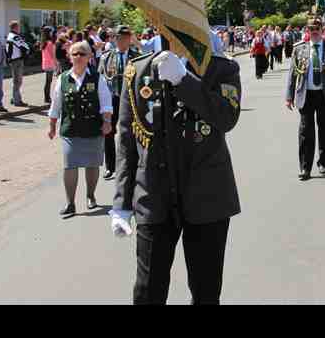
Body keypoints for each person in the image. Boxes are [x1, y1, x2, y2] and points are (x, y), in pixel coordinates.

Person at [110, 30, 242, 305]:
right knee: (147, 292)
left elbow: (226, 117)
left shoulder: (221, 68)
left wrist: (183, 79)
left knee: (205, 293)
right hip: (153, 194)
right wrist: (122, 202)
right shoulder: (137, 70)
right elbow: (127, 140)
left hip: (208, 195)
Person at [47, 40, 113, 218]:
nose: (78, 57)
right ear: (69, 57)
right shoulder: (63, 78)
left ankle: (91, 195)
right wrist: (52, 125)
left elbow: (106, 103)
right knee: (70, 166)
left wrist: (106, 121)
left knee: (92, 164)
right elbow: (56, 104)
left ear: (90, 57)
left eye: (82, 54)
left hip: (93, 129)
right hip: (70, 129)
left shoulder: (97, 79)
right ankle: (70, 203)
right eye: (74, 53)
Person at [285, 17, 325, 180]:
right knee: (305, 132)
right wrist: (289, 96)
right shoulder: (299, 49)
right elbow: (292, 74)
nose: (314, 32)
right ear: (307, 31)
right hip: (306, 94)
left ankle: (323, 162)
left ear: (322, 30)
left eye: (317, 29)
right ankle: (305, 168)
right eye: (311, 29)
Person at [98, 25, 142, 181]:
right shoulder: (106, 57)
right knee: (109, 132)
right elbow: (101, 81)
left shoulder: (138, 57)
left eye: (126, 38)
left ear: (130, 39)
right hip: (112, 99)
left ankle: (131, 164)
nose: (123, 41)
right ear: (115, 39)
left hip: (131, 100)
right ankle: (110, 166)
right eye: (120, 38)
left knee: (132, 132)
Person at [6, 21, 31, 107]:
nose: (19, 28)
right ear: (15, 27)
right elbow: (24, 46)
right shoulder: (14, 36)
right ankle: (17, 101)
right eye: (18, 27)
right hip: (16, 61)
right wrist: (29, 48)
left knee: (16, 81)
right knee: (17, 81)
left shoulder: (12, 36)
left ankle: (14, 98)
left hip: (15, 60)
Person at [40, 27, 58, 105]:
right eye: (50, 32)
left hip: (45, 63)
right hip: (50, 64)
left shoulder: (43, 42)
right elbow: (52, 55)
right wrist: (56, 64)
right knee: (48, 81)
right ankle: (47, 98)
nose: (52, 33)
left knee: (48, 81)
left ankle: (47, 97)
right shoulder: (50, 43)